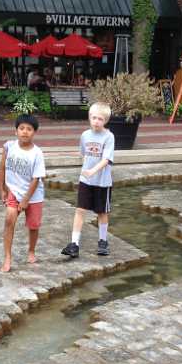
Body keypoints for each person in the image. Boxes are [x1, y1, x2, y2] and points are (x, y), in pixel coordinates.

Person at [61, 102, 115, 258]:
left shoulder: (109, 137)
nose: (96, 121)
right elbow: (83, 153)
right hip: (86, 181)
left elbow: (106, 159)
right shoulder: (85, 135)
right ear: (89, 117)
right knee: (80, 209)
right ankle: (74, 244)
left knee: (102, 212)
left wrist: (93, 170)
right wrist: (86, 169)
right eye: (94, 118)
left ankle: (103, 241)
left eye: (100, 119)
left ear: (105, 121)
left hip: (102, 182)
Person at [0, 114, 46, 273]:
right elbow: (2, 168)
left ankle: (31, 250)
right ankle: (7, 257)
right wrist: (2, 189)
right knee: (9, 219)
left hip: (33, 194)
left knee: (33, 226)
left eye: (29, 129)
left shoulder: (37, 153)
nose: (25, 132)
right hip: (14, 190)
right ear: (16, 131)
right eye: (22, 128)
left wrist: (26, 200)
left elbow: (36, 179)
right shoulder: (9, 147)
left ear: (35, 133)